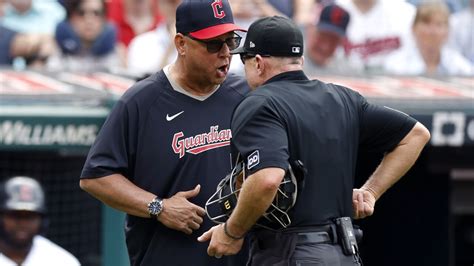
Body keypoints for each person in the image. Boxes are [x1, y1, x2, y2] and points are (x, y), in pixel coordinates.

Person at [198, 16, 431, 265]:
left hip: (290, 253)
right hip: (345, 254)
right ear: (300, 61)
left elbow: (267, 179)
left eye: (243, 60)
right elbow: (416, 134)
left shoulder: (260, 103)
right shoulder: (342, 98)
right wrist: (370, 192)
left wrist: (232, 231)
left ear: (257, 63)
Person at [79, 0, 249, 265]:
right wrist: (159, 206)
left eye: (231, 42)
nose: (225, 53)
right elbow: (96, 177)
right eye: (214, 44)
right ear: (181, 44)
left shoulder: (246, 95)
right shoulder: (141, 101)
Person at [0, 176, 80, 266]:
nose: (23, 223)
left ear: (42, 221)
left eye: (30, 217)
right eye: (15, 216)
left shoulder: (62, 261)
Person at [384, 1, 473, 76]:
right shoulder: (395, 66)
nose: (432, 31)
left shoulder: (458, 65)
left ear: (448, 32)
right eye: (426, 23)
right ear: (413, 28)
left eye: (439, 24)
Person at [47, 0, 122, 72]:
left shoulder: (117, 52)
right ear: (70, 18)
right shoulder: (54, 49)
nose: (89, 20)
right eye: (81, 13)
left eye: (96, 13)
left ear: (104, 18)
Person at [303, 3, 357, 75]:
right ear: (310, 30)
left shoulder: (346, 71)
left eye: (333, 41)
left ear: (341, 43)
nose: (325, 47)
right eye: (322, 37)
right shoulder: (289, 61)